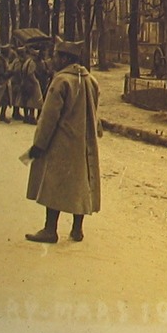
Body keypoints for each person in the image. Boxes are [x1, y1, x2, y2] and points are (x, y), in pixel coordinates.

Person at [24, 39, 102, 244]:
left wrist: (39, 144)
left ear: (66, 58)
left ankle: (50, 230)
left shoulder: (60, 81)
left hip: (62, 142)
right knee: (81, 184)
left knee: (54, 183)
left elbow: (49, 117)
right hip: (84, 143)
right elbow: (95, 111)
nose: (53, 59)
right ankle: (77, 230)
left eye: (57, 55)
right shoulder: (90, 80)